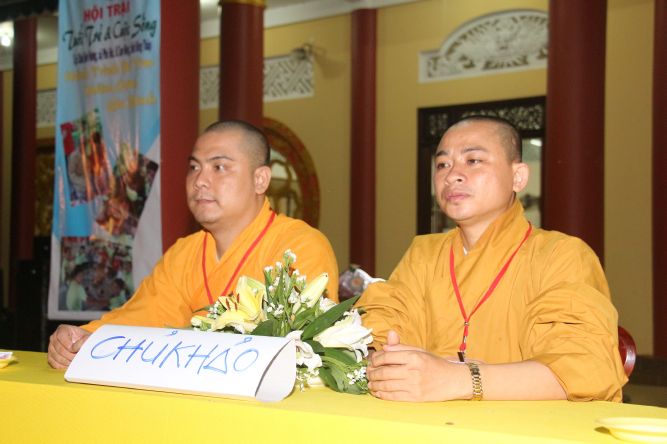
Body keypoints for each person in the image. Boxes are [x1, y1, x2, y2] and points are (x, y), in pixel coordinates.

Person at [359, 116, 627, 402]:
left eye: (473, 161)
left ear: (518, 177)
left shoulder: (561, 255)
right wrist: (380, 361)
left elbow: (584, 368)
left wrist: (460, 378)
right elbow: (380, 330)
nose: (452, 176)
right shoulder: (423, 254)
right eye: (442, 164)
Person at [48, 120, 339, 369]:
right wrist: (85, 337)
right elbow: (144, 316)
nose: (200, 180)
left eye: (219, 167)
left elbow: (302, 349)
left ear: (260, 179)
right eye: (194, 167)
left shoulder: (299, 247)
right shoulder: (184, 254)